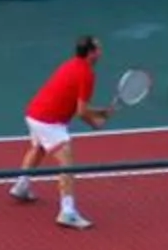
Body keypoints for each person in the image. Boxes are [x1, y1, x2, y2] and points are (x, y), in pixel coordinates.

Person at [10, 35, 108, 230]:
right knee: (67, 164)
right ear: (91, 53)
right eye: (98, 49)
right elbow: (81, 112)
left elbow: (75, 103)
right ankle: (68, 212)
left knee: (38, 149)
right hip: (49, 121)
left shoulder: (71, 64)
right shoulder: (87, 75)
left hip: (34, 113)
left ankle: (21, 186)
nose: (101, 52)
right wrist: (95, 124)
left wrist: (99, 112)